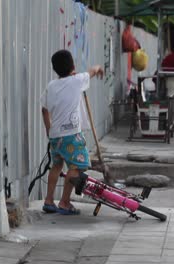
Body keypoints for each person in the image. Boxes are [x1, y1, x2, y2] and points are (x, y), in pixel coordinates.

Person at [40, 49, 104, 215]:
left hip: (55, 136)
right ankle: (65, 202)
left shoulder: (51, 86)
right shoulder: (77, 80)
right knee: (77, 166)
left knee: (56, 166)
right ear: (73, 66)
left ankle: (48, 201)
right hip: (71, 135)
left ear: (55, 69)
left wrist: (49, 129)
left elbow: (44, 110)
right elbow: (93, 70)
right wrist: (99, 68)